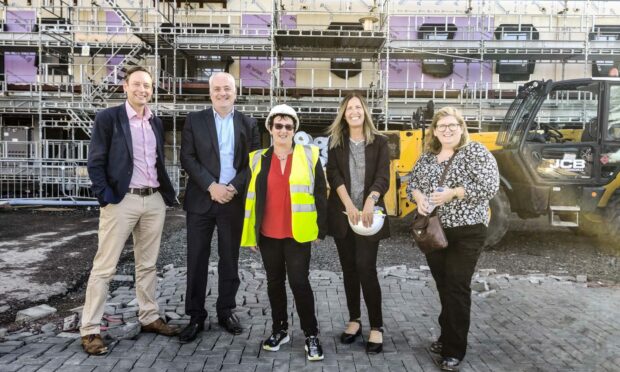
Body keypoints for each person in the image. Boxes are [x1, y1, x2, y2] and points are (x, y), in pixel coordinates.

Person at [81, 65, 178, 355]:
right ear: (125, 86)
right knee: (104, 267)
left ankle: (149, 317)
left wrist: (164, 195)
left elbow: (157, 161)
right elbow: (95, 161)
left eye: (147, 85)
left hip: (153, 200)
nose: (142, 90)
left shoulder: (155, 122)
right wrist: (106, 197)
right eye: (137, 84)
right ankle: (90, 330)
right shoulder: (109, 118)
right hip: (121, 201)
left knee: (147, 265)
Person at [406, 107, 499, 371]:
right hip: (435, 231)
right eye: (441, 126)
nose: (447, 130)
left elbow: (490, 186)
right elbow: (412, 182)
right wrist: (419, 197)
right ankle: (447, 335)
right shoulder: (427, 157)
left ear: (461, 127)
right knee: (444, 286)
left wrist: (454, 192)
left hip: (467, 231)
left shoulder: (475, 152)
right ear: (434, 131)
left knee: (457, 286)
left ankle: (454, 349)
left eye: (452, 125)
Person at [240, 104, 327, 361]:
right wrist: (252, 233)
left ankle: (311, 334)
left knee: (299, 283)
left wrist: (321, 228)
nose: (283, 130)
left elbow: (321, 193)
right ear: (270, 128)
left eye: (289, 126)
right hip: (268, 234)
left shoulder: (310, 155)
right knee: (274, 283)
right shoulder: (257, 158)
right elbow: (251, 198)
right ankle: (280, 330)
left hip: (298, 234)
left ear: (294, 130)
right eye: (278, 125)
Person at [179, 72, 260, 342]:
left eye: (227, 89)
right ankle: (195, 316)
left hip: (232, 202)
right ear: (210, 92)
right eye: (217, 89)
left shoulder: (249, 124)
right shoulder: (194, 120)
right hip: (202, 200)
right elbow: (187, 158)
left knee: (229, 260)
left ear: (235, 92)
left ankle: (226, 311)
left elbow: (254, 163)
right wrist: (211, 186)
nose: (222, 93)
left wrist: (233, 187)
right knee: (197, 259)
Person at [325, 94, 390, 354]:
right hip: (344, 216)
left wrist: (369, 203)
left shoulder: (380, 142)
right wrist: (349, 206)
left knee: (366, 267)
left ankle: (377, 326)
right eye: (349, 108)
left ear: (365, 112)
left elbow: (383, 176)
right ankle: (354, 320)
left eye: (358, 107)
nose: (354, 111)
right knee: (349, 269)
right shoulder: (335, 142)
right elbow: (334, 175)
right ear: (344, 114)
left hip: (369, 218)